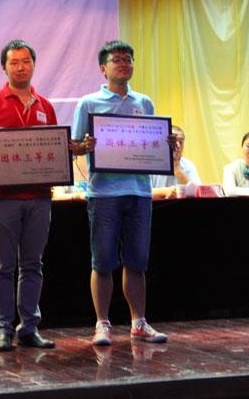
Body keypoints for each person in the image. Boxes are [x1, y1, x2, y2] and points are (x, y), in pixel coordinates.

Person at [71, 40, 168, 346]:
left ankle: (139, 322)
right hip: (103, 193)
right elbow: (74, 146)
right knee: (102, 261)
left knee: (137, 261)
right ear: (103, 68)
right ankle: (102, 324)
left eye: (128, 59)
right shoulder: (88, 103)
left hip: (139, 191)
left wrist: (166, 145)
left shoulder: (145, 102)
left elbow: (152, 142)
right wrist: (85, 146)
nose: (124, 64)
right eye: (117, 60)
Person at [0, 39, 57, 352]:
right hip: (3, 199)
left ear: (34, 64)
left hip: (39, 198)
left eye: (26, 61)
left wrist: (70, 150)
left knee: (33, 264)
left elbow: (54, 147)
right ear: (4, 68)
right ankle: (3, 330)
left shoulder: (46, 106)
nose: (21, 67)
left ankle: (29, 328)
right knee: (3, 266)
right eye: (14, 62)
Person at [150, 125, 200, 199]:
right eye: (174, 142)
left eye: (181, 141)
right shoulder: (152, 162)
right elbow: (143, 192)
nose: (178, 145)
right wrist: (165, 191)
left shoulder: (188, 165)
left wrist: (178, 170)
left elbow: (198, 192)